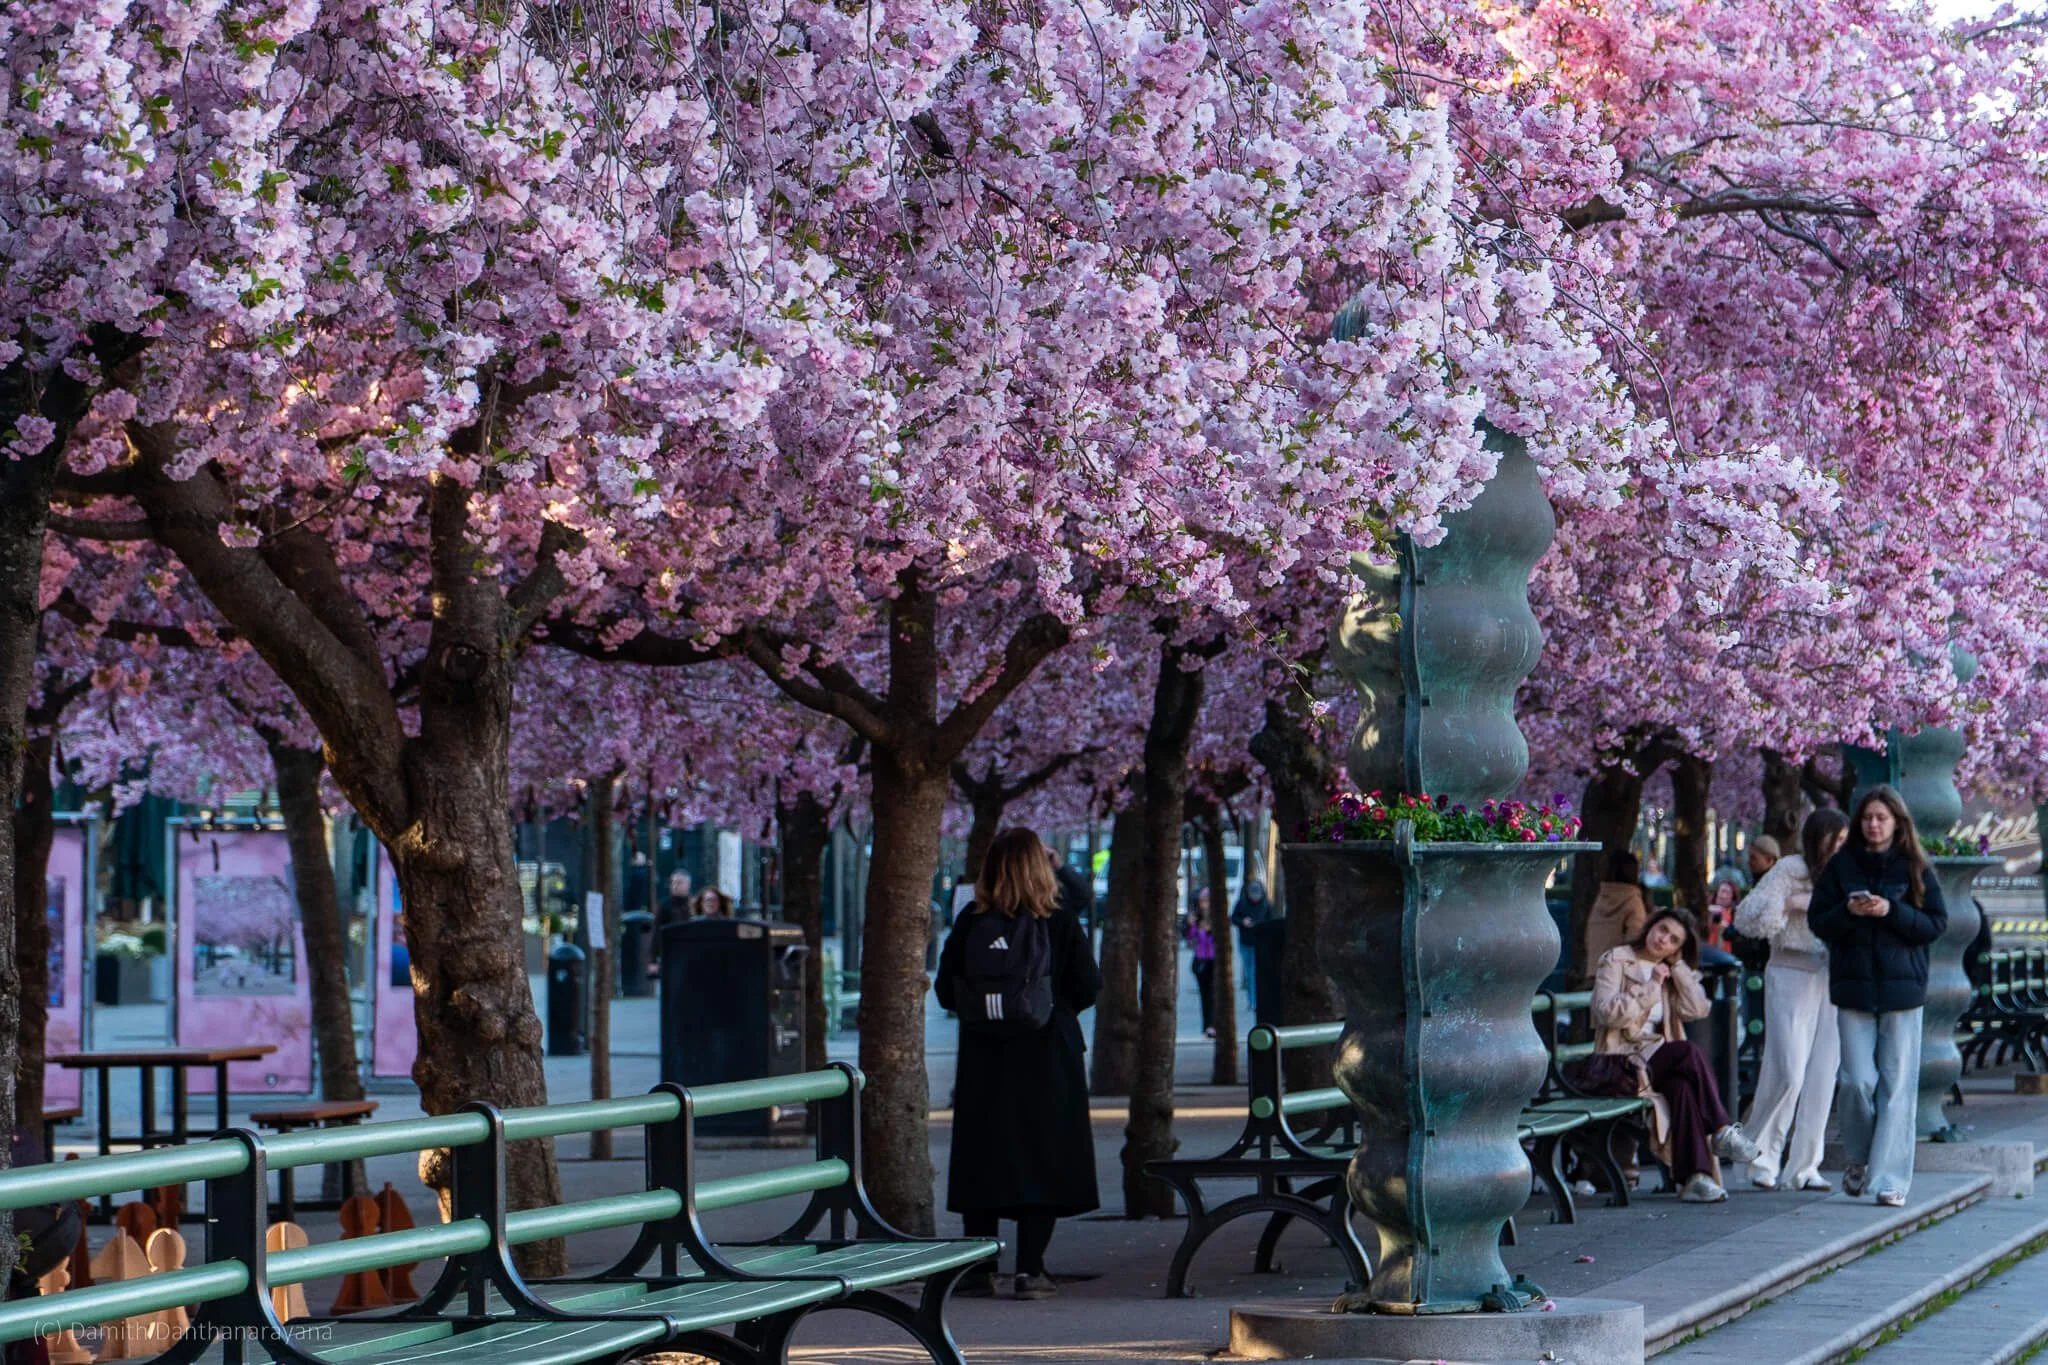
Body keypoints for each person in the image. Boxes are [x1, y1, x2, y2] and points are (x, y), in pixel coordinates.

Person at [937, 828, 1101, 1300]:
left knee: (982, 1160)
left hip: (985, 1058)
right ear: (1040, 868)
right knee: (1042, 1159)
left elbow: (947, 990)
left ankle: (978, 1269)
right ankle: (1031, 1270)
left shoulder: (971, 919)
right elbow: (1088, 985)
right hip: (1047, 1057)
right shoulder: (1059, 921)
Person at [1808, 785, 1948, 1207]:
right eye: (1867, 817)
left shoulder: (1916, 868)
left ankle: (1890, 1179)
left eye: (1881, 818)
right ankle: (1859, 1156)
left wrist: (1892, 911)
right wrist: (1848, 914)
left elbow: (1935, 924)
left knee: (1897, 1086)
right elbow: (1819, 921)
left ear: (1896, 822)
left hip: (1902, 988)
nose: (1873, 824)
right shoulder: (1840, 866)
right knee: (1856, 1081)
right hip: (1853, 987)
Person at [1591, 908, 1762, 1202]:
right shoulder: (1617, 959)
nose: (1663, 941)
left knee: (1682, 1089)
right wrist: (1651, 987)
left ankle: (1695, 1178)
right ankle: (1721, 1130)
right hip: (1620, 1061)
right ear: (1650, 926)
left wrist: (1678, 967)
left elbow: (1697, 1010)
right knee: (1687, 1052)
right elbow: (1605, 1013)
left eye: (1673, 940)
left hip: (1653, 1060)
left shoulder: (1669, 971)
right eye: (1662, 930)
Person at [1733, 808, 1851, 1191]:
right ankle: (1756, 1153)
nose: (1842, 847)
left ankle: (1805, 1166)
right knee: (1787, 1070)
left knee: (1823, 1074)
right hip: (1790, 970)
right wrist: (1789, 904)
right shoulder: (1790, 868)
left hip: (1834, 975)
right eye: (1836, 839)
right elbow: (1747, 918)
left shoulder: (1849, 872)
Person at [1583, 851, 1651, 978]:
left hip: (1593, 970)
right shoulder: (1633, 901)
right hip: (1617, 976)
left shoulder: (1601, 898)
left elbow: (1588, 936)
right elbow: (1635, 940)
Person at [1232, 879, 1272, 1010]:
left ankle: (1256, 1001)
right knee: (1249, 972)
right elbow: (1233, 918)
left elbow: (1271, 922)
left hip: (1260, 943)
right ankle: (1252, 1000)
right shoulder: (1242, 903)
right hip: (1246, 942)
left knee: (1255, 972)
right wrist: (1243, 922)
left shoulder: (1266, 905)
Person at [1187, 890, 1218, 1038]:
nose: (1204, 904)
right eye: (1202, 901)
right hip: (1200, 961)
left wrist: (1210, 930)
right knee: (1204, 995)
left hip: (1214, 961)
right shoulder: (1196, 919)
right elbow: (1190, 938)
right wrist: (1192, 925)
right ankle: (1206, 1025)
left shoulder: (1217, 919)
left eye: (1207, 901)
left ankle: (1212, 1025)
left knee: (1212, 994)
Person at [1702, 875, 1742, 954]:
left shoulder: (1734, 915)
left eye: (1728, 893)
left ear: (1732, 898)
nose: (1723, 896)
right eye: (1722, 891)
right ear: (1717, 893)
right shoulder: (1706, 910)